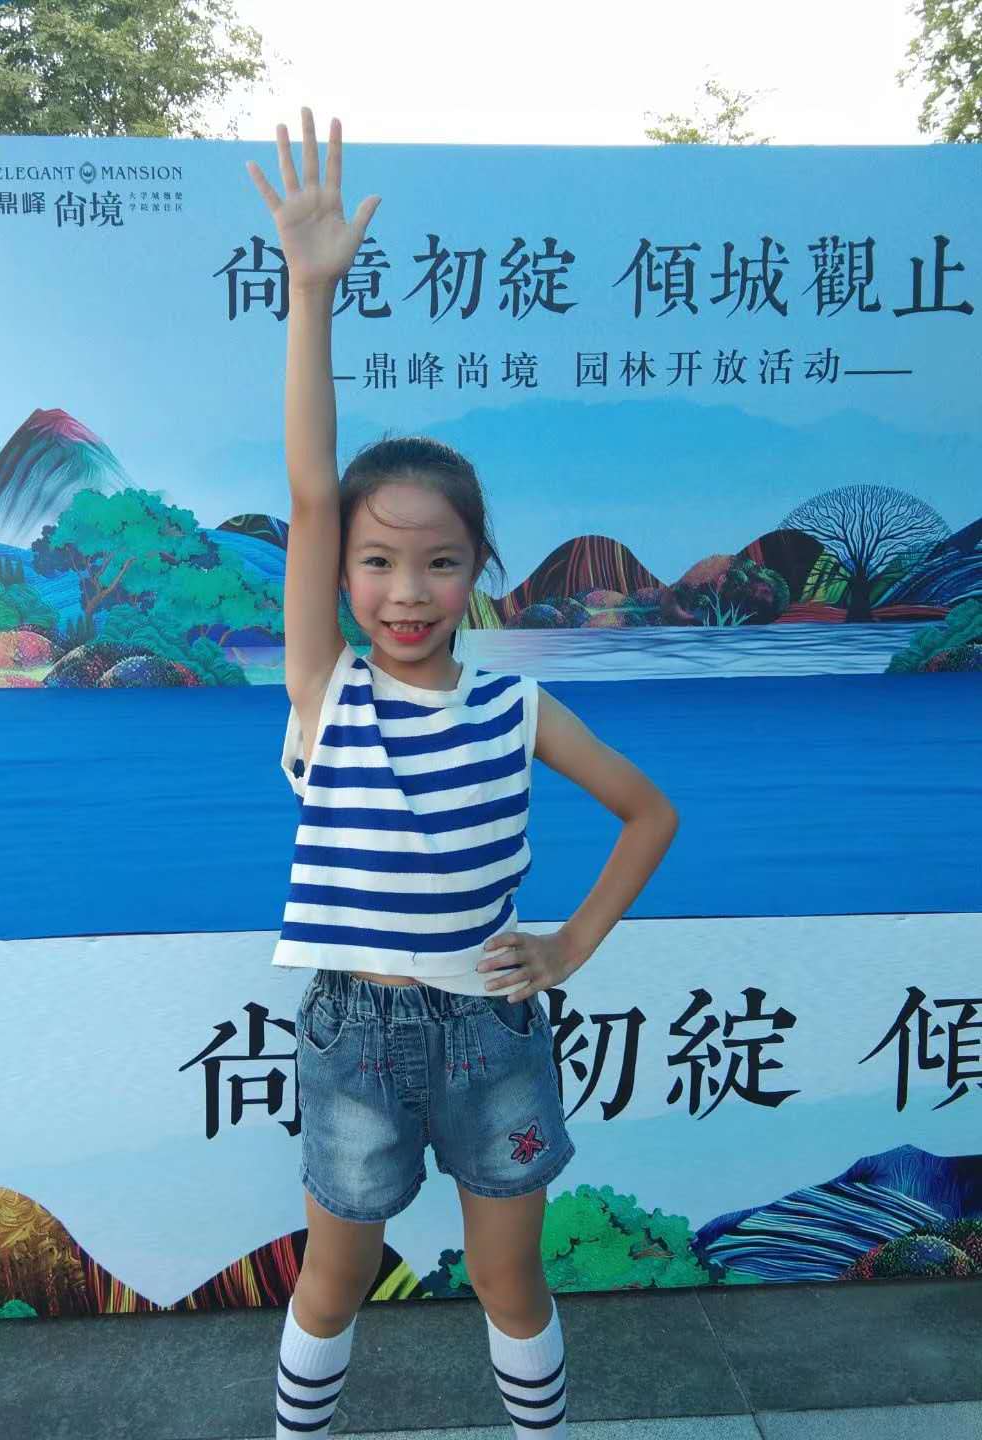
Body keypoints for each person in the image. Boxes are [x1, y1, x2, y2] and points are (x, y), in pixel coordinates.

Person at [247, 107, 680, 1440]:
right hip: (354, 1037)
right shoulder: (325, 693)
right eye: (377, 561)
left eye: (438, 562)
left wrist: (569, 948)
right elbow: (309, 491)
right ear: (340, 577)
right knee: (333, 1281)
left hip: (495, 1037)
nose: (406, 589)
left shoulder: (517, 708)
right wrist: (310, 293)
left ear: (479, 571)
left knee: (510, 1281)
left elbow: (649, 813)